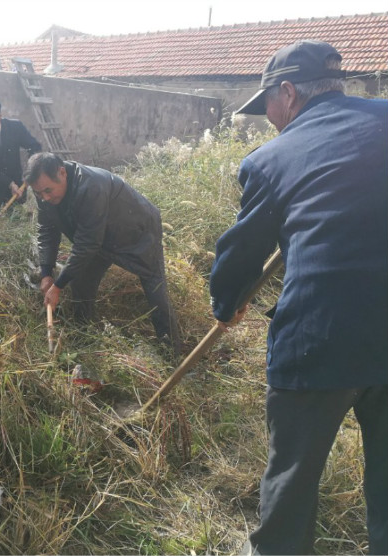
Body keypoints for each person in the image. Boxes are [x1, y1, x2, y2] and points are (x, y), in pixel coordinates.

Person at [209, 40, 387, 555]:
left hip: (318, 342)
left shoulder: (272, 158)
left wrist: (227, 303)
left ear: (287, 93)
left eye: (266, 103)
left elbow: (241, 251)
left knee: (291, 482)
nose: (268, 118)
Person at [26, 152, 180, 354]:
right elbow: (47, 230)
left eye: (48, 191)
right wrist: (47, 272)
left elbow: (87, 243)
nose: (44, 198)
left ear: (62, 173)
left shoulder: (91, 186)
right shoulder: (45, 194)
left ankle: (171, 350)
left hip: (136, 230)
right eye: (38, 193)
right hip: (98, 236)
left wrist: (58, 286)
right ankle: (85, 335)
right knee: (81, 280)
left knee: (154, 286)